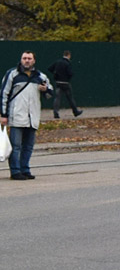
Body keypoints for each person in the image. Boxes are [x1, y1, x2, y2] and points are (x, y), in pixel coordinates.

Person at [1, 51, 52, 180]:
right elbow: (3, 94)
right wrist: (3, 114)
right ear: (21, 60)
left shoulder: (41, 76)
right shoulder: (12, 74)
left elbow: (50, 93)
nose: (27, 61)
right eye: (24, 58)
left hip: (32, 116)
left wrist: (45, 90)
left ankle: (25, 169)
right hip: (16, 115)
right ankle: (15, 171)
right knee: (15, 146)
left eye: (29, 58)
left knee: (28, 146)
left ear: (34, 60)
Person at [48, 50, 83, 119]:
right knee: (70, 98)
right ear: (69, 55)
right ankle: (75, 111)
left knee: (57, 98)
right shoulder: (67, 63)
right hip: (65, 82)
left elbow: (50, 68)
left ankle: (56, 112)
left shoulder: (58, 62)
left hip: (58, 82)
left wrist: (55, 74)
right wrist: (68, 78)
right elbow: (70, 73)